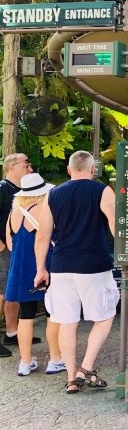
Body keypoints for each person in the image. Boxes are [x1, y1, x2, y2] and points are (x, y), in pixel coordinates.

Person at [34, 151, 119, 394]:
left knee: (66, 322)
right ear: (93, 170)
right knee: (104, 316)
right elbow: (114, 222)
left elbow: (43, 236)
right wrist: (127, 253)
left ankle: (71, 377)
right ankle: (86, 368)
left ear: (70, 170)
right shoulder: (102, 191)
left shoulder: (53, 194)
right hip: (94, 265)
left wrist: (41, 268)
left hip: (61, 266)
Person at [5, 173, 63, 376]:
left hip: (20, 269)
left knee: (26, 316)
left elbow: (10, 244)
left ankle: (25, 362)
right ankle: (55, 359)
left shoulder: (14, 213)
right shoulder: (44, 211)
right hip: (45, 266)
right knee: (52, 313)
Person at [0, 153, 36, 359]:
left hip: (16, 247)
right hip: (4, 248)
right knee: (2, 292)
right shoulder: (3, 189)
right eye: (26, 163)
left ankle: (12, 332)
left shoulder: (21, 190)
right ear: (12, 167)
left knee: (12, 290)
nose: (29, 168)